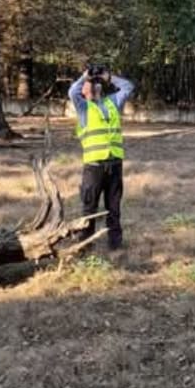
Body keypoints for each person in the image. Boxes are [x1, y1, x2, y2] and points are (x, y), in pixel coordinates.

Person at [68, 64, 135, 250]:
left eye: (96, 82)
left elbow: (128, 87)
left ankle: (115, 246)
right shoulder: (83, 108)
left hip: (114, 165)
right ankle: (85, 246)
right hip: (94, 167)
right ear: (84, 89)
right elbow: (72, 92)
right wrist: (85, 76)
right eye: (90, 82)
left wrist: (108, 77)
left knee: (114, 209)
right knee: (89, 209)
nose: (93, 83)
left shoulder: (112, 103)